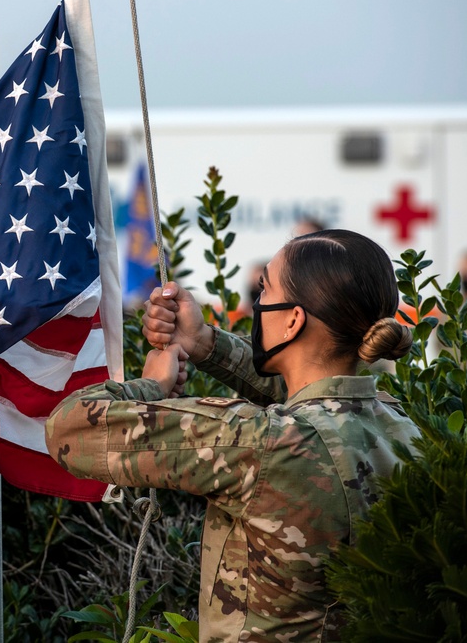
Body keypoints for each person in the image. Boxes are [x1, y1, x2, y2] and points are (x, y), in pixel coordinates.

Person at [46, 229, 419, 641]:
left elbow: (70, 427)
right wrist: (203, 342)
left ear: (293, 320)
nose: (256, 304)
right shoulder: (404, 428)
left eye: (264, 288)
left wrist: (152, 383)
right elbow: (312, 400)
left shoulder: (259, 443)